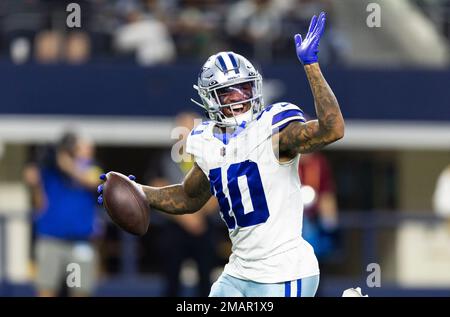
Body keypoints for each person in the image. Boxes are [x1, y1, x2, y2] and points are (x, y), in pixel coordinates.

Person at [98, 11, 344, 297]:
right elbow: (189, 197)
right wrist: (139, 191)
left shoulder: (273, 130)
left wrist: (311, 65)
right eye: (228, 93)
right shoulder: (206, 142)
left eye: (244, 89)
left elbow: (332, 129)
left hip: (284, 271)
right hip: (239, 272)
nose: (240, 99)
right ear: (210, 99)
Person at [146, 113, 218, 296]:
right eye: (183, 129)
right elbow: (157, 191)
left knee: (206, 281)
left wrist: (197, 215)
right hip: (174, 227)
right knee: (171, 281)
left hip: (204, 227)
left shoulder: (212, 158)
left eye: (192, 129)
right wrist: (186, 217)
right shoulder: (163, 159)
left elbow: (219, 190)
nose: (187, 134)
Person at [23, 132, 102, 297]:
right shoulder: (49, 170)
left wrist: (69, 166)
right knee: (46, 288)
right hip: (51, 239)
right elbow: (39, 202)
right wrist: (35, 180)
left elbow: (94, 182)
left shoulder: (91, 167)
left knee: (80, 290)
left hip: (80, 242)